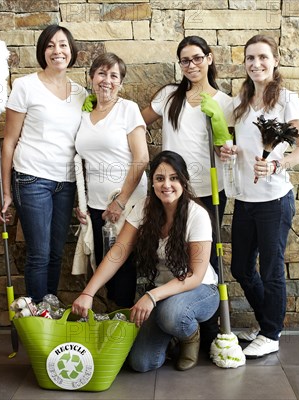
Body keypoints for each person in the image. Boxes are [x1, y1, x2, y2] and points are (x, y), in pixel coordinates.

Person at [71, 151, 220, 372]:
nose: (166, 185)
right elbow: (117, 253)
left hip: (200, 290)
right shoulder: (144, 207)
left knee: (172, 313)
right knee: (141, 363)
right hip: (162, 293)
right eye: (160, 178)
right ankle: (170, 333)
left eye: (173, 178)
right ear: (152, 182)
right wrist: (88, 293)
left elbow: (195, 276)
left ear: (183, 180)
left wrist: (151, 296)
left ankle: (189, 335)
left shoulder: (196, 214)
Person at [140, 36, 232, 348]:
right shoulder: (169, 96)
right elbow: (136, 122)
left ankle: (211, 335)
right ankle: (178, 323)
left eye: (196, 58)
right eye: (184, 60)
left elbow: (229, 149)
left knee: (207, 263)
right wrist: (101, 111)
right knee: (172, 253)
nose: (191, 65)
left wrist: (219, 123)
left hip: (208, 191)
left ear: (209, 58)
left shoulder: (225, 103)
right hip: (171, 191)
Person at [224, 35, 299, 358]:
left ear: (275, 60)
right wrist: (230, 149)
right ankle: (266, 321)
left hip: (275, 200)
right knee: (241, 268)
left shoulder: (287, 99)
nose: (256, 64)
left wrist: (276, 163)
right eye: (250, 58)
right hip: (245, 199)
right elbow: (236, 143)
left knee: (271, 269)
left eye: (262, 57)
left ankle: (272, 334)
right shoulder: (241, 102)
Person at [0, 24, 87, 304]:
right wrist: (7, 192)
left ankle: (51, 307)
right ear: (42, 51)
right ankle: (37, 315)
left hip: (67, 182)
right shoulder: (25, 86)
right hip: (31, 179)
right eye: (50, 45)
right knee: (39, 252)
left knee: (57, 252)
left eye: (62, 45)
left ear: (71, 51)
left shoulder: (82, 93)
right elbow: (9, 141)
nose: (57, 51)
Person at [75, 52, 149, 308]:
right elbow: (80, 163)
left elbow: (141, 158)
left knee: (124, 268)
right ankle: (111, 326)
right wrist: (81, 204)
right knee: (103, 265)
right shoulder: (82, 115)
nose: (107, 80)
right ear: (91, 78)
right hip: (96, 206)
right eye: (102, 74)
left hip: (127, 203)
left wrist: (121, 201)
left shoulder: (128, 110)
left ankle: (125, 334)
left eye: (114, 75)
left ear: (121, 83)